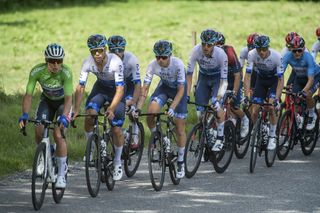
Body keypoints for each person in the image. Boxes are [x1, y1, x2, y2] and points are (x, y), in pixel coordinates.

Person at [19, 43, 73, 188]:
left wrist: (64, 117)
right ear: (46, 60)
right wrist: (24, 114)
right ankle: (44, 155)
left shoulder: (66, 73)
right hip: (47, 101)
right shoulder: (37, 71)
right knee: (38, 128)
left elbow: (69, 99)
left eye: (59, 61)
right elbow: (28, 95)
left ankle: (61, 174)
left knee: (58, 134)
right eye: (52, 61)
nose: (56, 65)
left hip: (63, 104)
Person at [73, 34, 125, 181]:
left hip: (116, 91)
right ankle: (91, 147)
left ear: (105, 50)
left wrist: (112, 108)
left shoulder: (116, 62)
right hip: (101, 89)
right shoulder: (87, 62)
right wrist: (76, 109)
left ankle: (117, 162)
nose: (97, 54)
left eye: (100, 51)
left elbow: (120, 90)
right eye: (93, 51)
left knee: (116, 128)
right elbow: (80, 87)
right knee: (90, 113)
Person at [133, 40, 187, 179]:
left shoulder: (178, 64)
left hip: (178, 90)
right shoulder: (153, 65)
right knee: (151, 113)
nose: (160, 60)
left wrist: (173, 108)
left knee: (180, 126)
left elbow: (181, 90)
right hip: (164, 88)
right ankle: (159, 138)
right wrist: (138, 107)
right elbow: (145, 89)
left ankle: (181, 161)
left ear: (170, 55)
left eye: (164, 57)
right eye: (158, 57)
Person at [186, 29, 228, 151]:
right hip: (203, 79)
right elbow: (189, 75)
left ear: (214, 44)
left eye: (209, 45)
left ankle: (220, 137)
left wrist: (219, 97)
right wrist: (187, 94)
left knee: (217, 106)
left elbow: (224, 81)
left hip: (217, 80)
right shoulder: (195, 51)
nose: (205, 47)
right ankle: (208, 133)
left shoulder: (221, 55)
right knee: (200, 113)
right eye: (203, 44)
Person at [244, 35, 284, 150]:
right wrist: (246, 96)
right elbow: (247, 76)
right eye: (259, 49)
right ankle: (256, 132)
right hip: (261, 81)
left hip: (274, 81)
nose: (261, 52)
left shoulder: (277, 57)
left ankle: (272, 136)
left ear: (268, 47)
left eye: (264, 49)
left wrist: (277, 98)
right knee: (254, 110)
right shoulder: (251, 54)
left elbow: (281, 80)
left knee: (271, 107)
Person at [107, 35, 141, 149]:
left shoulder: (131, 59)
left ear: (124, 50)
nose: (117, 54)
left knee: (130, 108)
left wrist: (133, 101)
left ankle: (135, 132)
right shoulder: (106, 59)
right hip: (116, 85)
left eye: (120, 50)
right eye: (113, 51)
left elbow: (137, 84)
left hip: (130, 83)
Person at [215, 32, 249, 138]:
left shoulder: (229, 52)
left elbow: (237, 75)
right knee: (216, 105)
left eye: (219, 47)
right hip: (221, 81)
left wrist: (234, 92)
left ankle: (244, 119)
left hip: (233, 79)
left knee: (234, 105)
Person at [283, 35, 320, 130]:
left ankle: (312, 115)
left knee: (307, 95)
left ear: (303, 49)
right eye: (294, 51)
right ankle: (298, 119)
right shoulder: (287, 56)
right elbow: (280, 73)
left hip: (314, 76)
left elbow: (311, 80)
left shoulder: (308, 58)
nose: (297, 53)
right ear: (290, 49)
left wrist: (303, 91)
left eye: (299, 50)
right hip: (300, 77)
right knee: (294, 98)